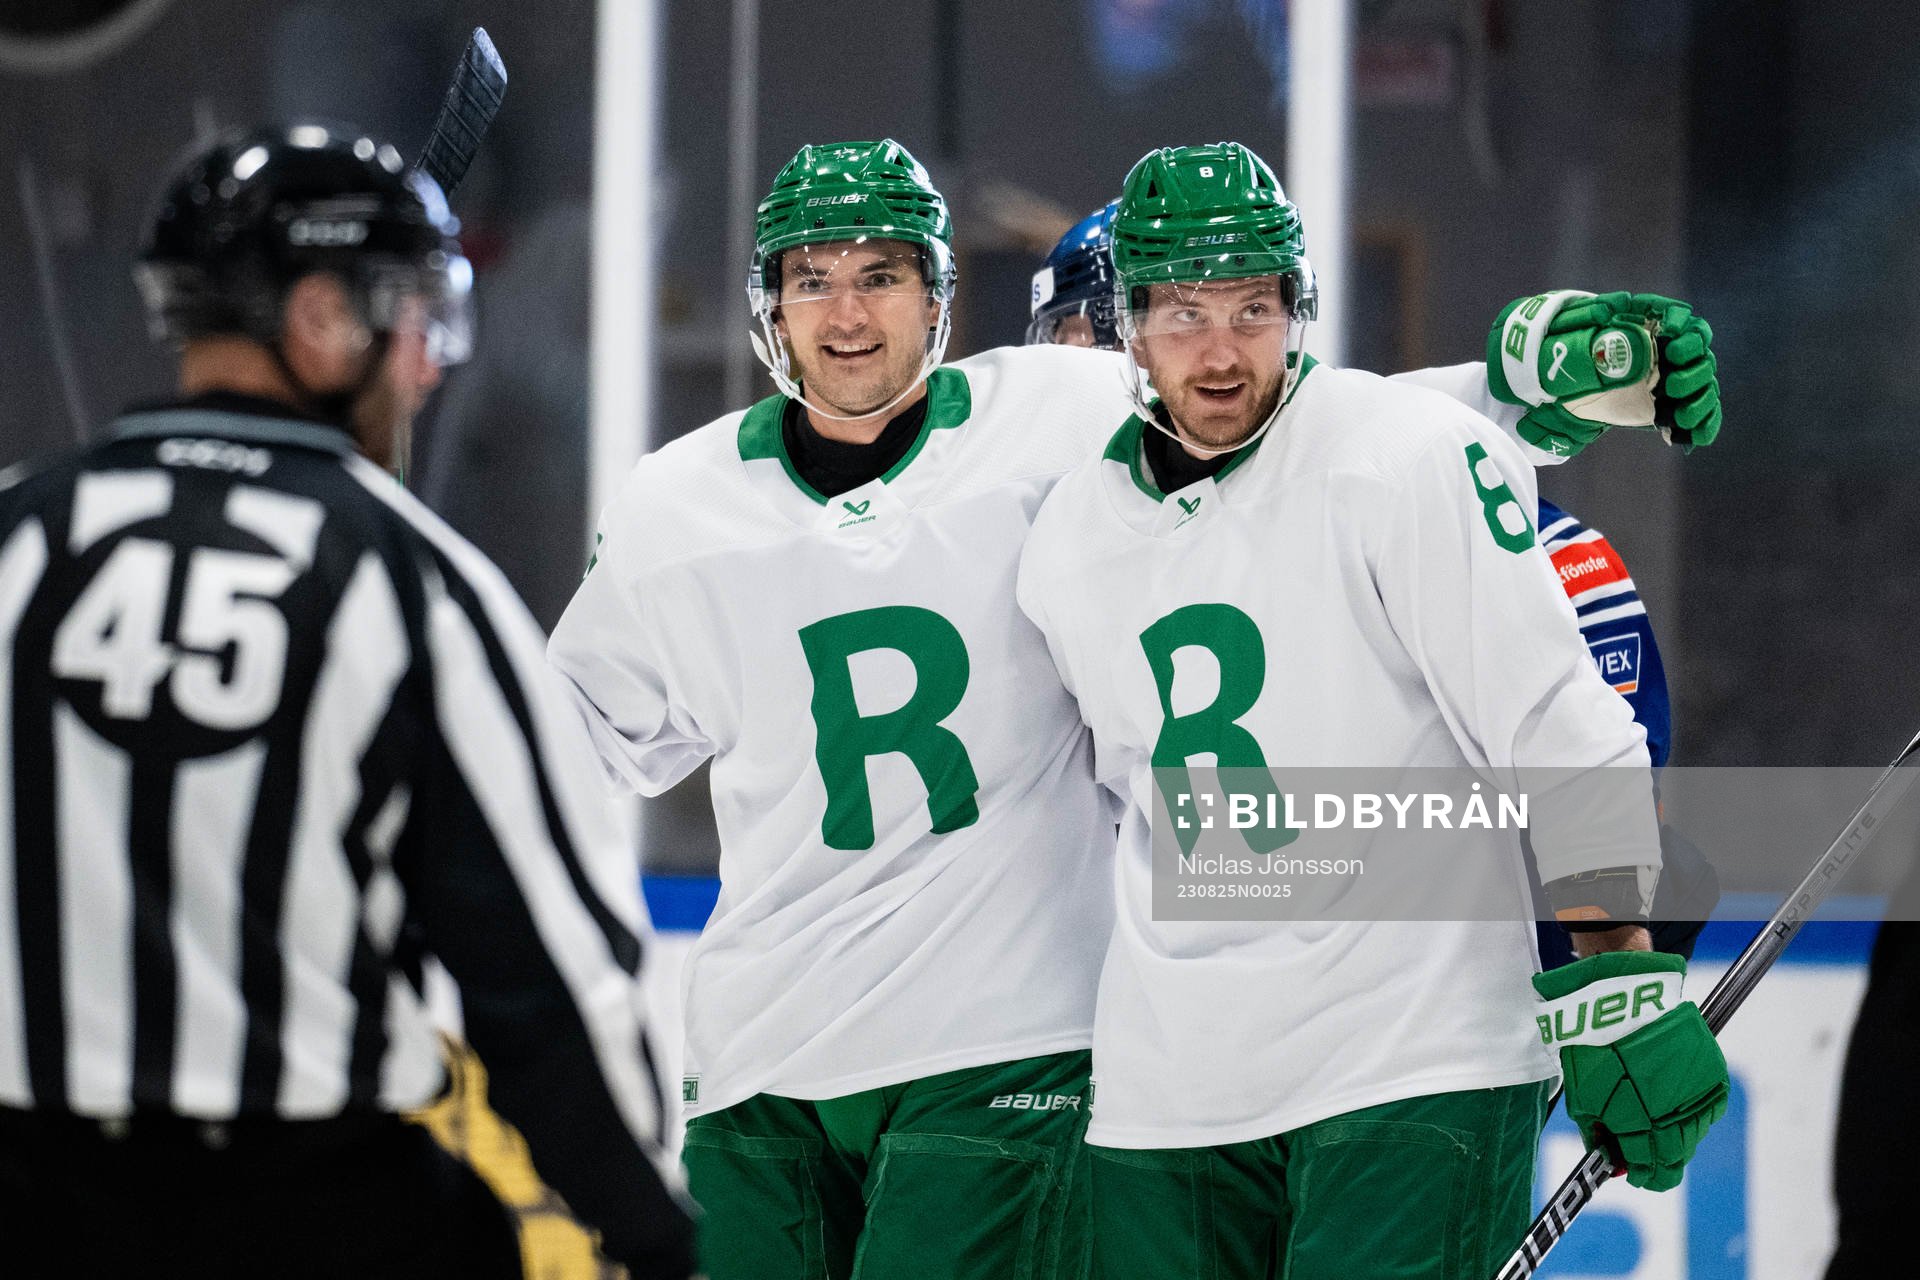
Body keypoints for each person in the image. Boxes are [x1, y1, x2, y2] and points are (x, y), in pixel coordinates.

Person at [548, 137, 1723, 1280]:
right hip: (887, 1057)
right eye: (816, 281)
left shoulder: (1069, 420)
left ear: (939, 296)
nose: (850, 315)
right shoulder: (708, 505)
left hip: (1083, 1047)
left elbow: (1309, 436)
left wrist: (1514, 384)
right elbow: (552, 744)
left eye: (883, 276)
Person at [1014, 141, 1731, 1280]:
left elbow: (1557, 721)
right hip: (1169, 1089)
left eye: (1253, 307)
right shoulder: (1061, 541)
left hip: (1409, 1064)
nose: (1218, 347)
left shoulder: (1405, 455)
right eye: (1181, 313)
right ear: (1136, 327)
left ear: (1295, 307)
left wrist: (1613, 973)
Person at [0, 124, 693, 1279]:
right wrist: (659, 1240)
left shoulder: (16, 537)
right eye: (417, 316)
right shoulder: (407, 579)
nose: (428, 364)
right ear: (324, 321)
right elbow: (550, 984)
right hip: (308, 1221)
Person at [1027, 209, 1719, 971]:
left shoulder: (1462, 519)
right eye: (1178, 317)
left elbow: (1605, 782)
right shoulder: (1069, 542)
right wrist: (1507, 394)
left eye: (1076, 342)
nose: (1062, 371)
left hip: (1424, 995)